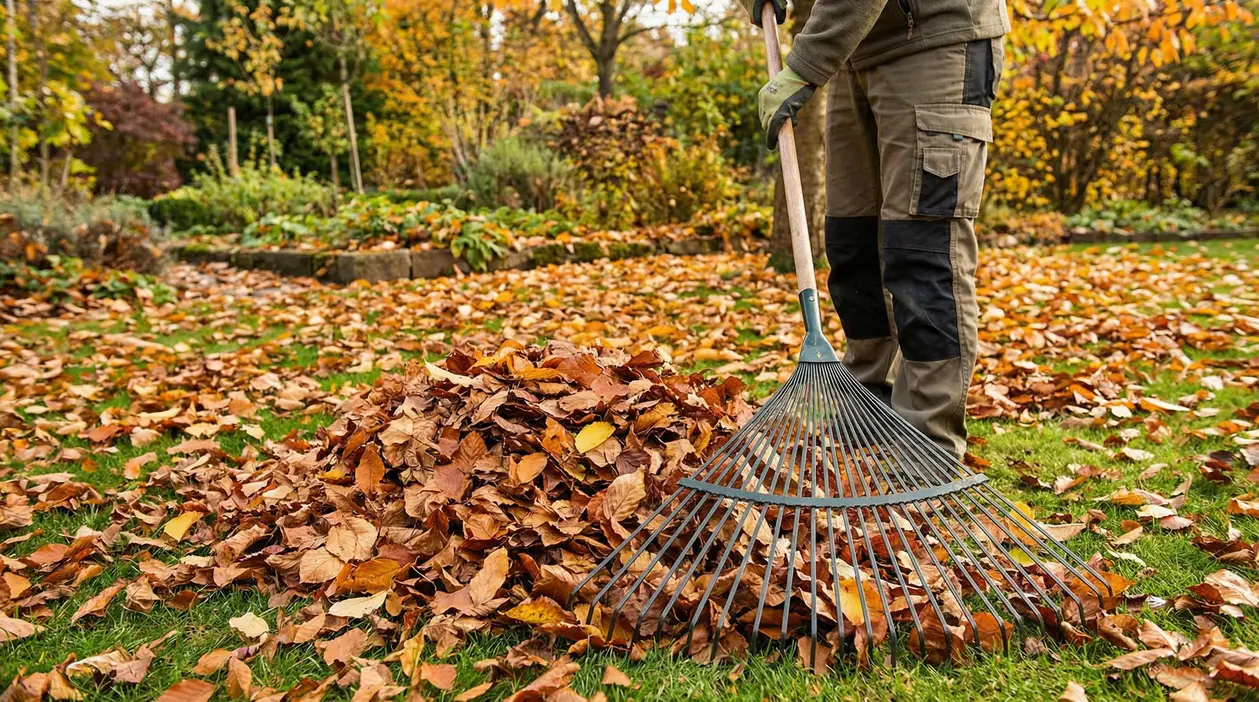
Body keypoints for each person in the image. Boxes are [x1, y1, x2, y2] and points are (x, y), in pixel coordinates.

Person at [740, 0, 1008, 459]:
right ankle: (868, 407)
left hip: (936, 40)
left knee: (922, 248)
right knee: (852, 241)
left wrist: (804, 65)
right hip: (858, 50)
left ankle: (928, 439)